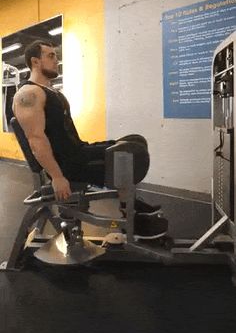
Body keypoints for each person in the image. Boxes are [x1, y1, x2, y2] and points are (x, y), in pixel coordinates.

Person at [13, 40, 168, 238]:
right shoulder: (28, 94)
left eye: (56, 56)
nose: (56, 60)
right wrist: (58, 177)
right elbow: (36, 139)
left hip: (78, 152)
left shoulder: (51, 92)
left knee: (135, 142)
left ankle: (129, 205)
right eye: (50, 56)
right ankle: (132, 220)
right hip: (68, 165)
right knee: (130, 155)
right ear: (35, 62)